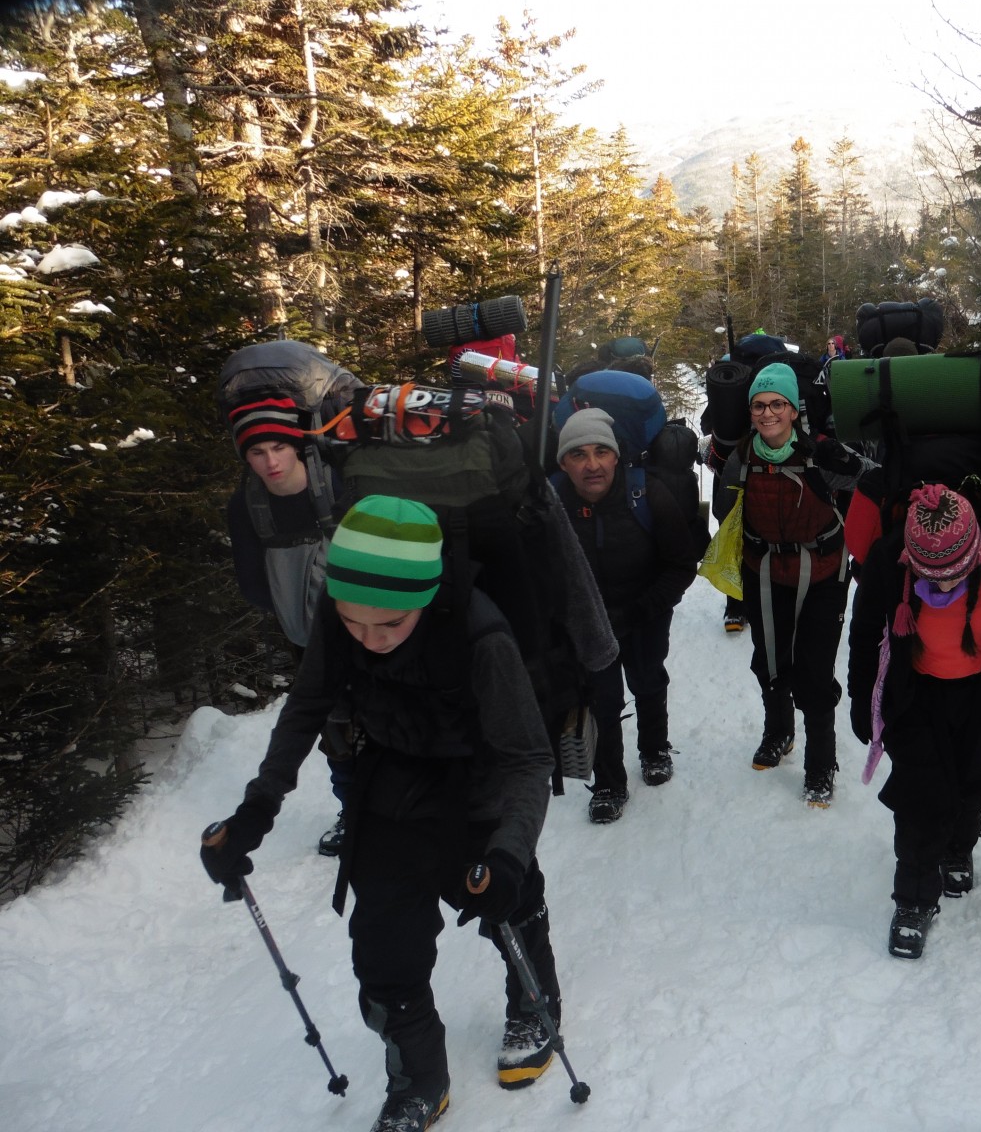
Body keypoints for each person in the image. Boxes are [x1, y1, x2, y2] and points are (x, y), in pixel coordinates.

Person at [200, 496, 564, 1132]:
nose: (369, 639)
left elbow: (529, 758)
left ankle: (535, 1004)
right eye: (352, 622)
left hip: (477, 790)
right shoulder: (339, 612)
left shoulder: (482, 634)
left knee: (508, 904)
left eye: (390, 624)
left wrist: (508, 854)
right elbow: (307, 705)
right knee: (383, 950)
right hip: (390, 787)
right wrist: (257, 808)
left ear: (424, 598)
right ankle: (419, 1079)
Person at [846, 484, 981, 960]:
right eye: (929, 575)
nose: (940, 587)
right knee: (920, 798)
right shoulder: (888, 557)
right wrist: (860, 698)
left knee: (973, 779)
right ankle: (913, 900)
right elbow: (864, 632)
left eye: (951, 575)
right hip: (914, 695)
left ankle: (959, 846)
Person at [712, 361, 873, 807]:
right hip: (764, 572)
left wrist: (852, 464)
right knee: (769, 662)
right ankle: (778, 732)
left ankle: (821, 765)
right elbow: (724, 513)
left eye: (777, 404)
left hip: (823, 572)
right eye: (759, 406)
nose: (768, 414)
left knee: (814, 673)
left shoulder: (820, 454)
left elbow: (878, 480)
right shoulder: (741, 459)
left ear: (793, 409)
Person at [552, 408, 697, 824]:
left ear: (616, 456)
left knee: (648, 680)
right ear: (564, 463)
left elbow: (681, 564)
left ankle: (654, 749)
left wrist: (641, 610)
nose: (592, 464)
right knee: (600, 699)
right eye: (578, 454)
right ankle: (608, 783)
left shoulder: (647, 495)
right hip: (587, 624)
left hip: (644, 612)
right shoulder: (551, 504)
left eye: (601, 452)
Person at [224, 395, 351, 856]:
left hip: (368, 623)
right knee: (332, 725)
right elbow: (253, 585)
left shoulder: (338, 482)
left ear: (297, 444)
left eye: (279, 446)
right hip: (308, 637)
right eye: (258, 452)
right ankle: (354, 808)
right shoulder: (247, 505)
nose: (271, 461)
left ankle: (397, 804)